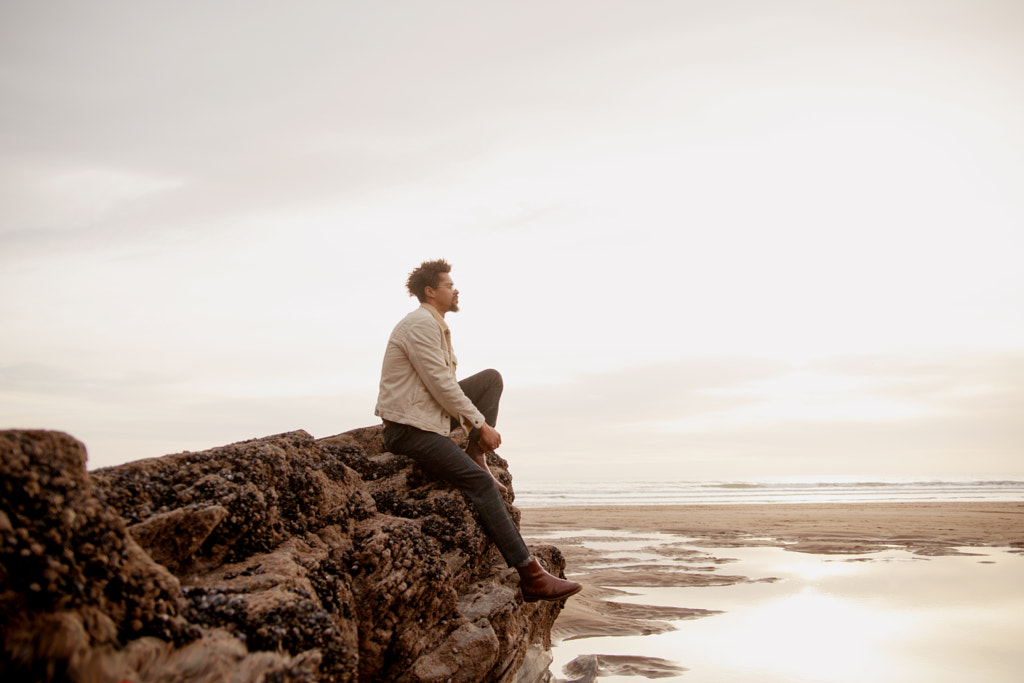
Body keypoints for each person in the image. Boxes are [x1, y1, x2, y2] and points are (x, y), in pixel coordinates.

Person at [375, 259, 581, 603]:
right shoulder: (420, 325)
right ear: (430, 291)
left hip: (427, 419)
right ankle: (531, 576)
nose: (456, 290)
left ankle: (476, 453)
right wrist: (479, 424)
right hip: (409, 430)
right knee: (481, 484)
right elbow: (441, 384)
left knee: (490, 380)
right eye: (449, 285)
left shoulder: (434, 324)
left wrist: (476, 430)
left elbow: (444, 386)